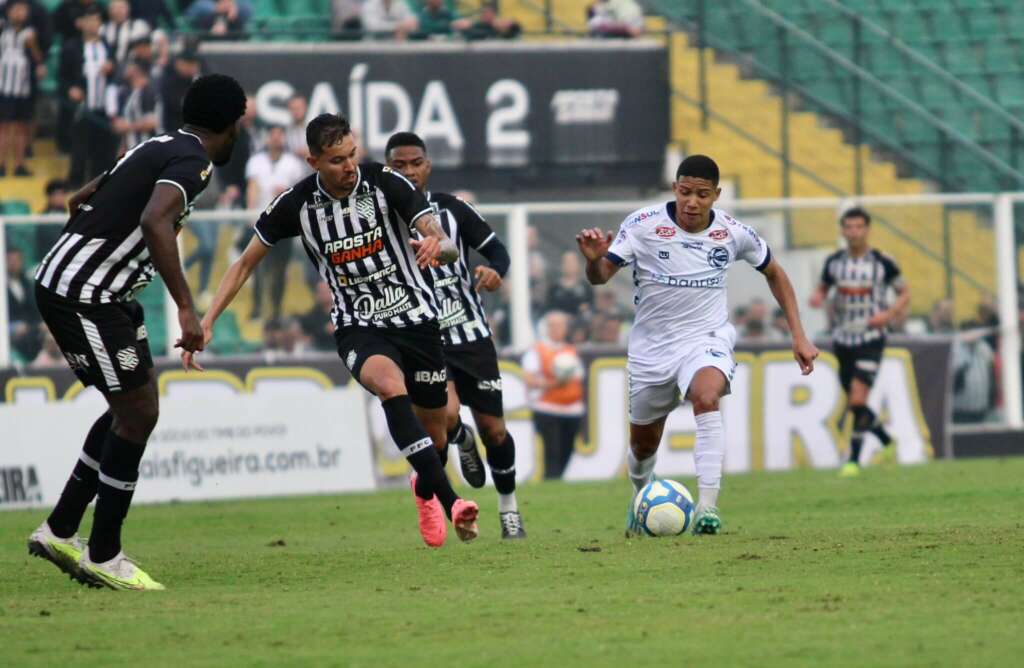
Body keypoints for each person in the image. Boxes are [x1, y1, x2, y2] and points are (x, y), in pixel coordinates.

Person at [184, 113, 480, 548]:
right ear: (313, 161)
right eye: (338, 159)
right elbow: (246, 262)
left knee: (434, 435)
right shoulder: (296, 204)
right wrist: (207, 319)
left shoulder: (387, 183)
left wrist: (440, 244)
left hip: (417, 320)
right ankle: (453, 502)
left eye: (353, 155)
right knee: (388, 386)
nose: (349, 167)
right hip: (358, 325)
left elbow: (444, 241)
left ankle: (424, 487)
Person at [28, 74, 246, 590]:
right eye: (240, 120)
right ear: (229, 123)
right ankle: (103, 553)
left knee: (131, 407)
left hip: (93, 290)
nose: (242, 129)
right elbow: (154, 220)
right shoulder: (196, 163)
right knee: (139, 411)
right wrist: (187, 309)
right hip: (86, 295)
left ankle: (61, 528)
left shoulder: (157, 144)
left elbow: (81, 196)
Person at [577, 154, 819, 535]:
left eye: (702, 194)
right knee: (642, 447)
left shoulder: (733, 232)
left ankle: (708, 508)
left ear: (716, 195)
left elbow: (775, 273)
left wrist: (798, 334)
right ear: (674, 188)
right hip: (651, 349)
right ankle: (641, 499)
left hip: (705, 339)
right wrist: (593, 262)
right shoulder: (642, 225)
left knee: (706, 397)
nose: (692, 202)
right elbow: (601, 276)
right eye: (685, 191)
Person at [386, 131, 524, 539]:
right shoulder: (377, 218)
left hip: (472, 336)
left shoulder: (453, 210)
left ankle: (509, 509)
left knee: (495, 431)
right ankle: (459, 436)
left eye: (416, 163)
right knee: (443, 420)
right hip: (424, 338)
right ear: (387, 169)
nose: (409, 172)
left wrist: (495, 270)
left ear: (428, 166)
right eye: (399, 166)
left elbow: (498, 251)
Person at [809, 207, 910, 477]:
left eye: (859, 227)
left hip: (871, 339)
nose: (854, 232)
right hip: (842, 339)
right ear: (842, 231)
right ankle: (886, 440)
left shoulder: (883, 262)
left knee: (857, 396)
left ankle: (852, 460)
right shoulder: (834, 263)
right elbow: (823, 287)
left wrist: (888, 314)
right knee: (856, 403)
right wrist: (817, 296)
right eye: (849, 227)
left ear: (867, 229)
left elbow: (904, 293)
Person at [244, 125, 306, 320]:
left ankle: (276, 309)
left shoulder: (293, 163)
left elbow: (299, 192)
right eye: (274, 135)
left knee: (280, 268)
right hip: (260, 220)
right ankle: (257, 306)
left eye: (280, 135)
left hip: (284, 223)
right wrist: (250, 214)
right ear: (268, 138)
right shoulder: (256, 161)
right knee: (256, 266)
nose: (277, 139)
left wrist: (285, 191)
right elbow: (252, 188)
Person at [522, 310, 585, 480]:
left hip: (572, 410)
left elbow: (578, 377)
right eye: (554, 325)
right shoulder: (538, 350)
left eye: (561, 325)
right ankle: (551, 479)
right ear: (547, 328)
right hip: (547, 408)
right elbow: (529, 379)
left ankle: (556, 479)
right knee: (552, 451)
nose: (558, 329)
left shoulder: (570, 351)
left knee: (568, 450)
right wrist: (554, 383)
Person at [60, 5, 116, 187]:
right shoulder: (71, 47)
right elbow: (63, 78)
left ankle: (101, 187)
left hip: (104, 109)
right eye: (90, 20)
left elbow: (117, 76)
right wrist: (71, 90)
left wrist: (111, 69)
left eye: (97, 19)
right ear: (80, 23)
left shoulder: (107, 46)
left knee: (104, 152)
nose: (94, 24)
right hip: (83, 109)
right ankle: (76, 187)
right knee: (80, 151)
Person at [0, 0, 46, 177]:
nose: (19, 13)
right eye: (16, 10)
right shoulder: (3, 28)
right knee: (3, 127)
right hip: (3, 87)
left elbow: (38, 59)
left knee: (20, 127)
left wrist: (32, 45)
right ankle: (1, 164)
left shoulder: (31, 33)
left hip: (23, 86)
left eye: (23, 10)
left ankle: (20, 164)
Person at [108, 58, 161, 153]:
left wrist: (129, 127)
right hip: (131, 150)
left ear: (137, 70)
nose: (126, 68)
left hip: (147, 149)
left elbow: (152, 122)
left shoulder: (150, 91)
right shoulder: (126, 92)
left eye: (130, 65)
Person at [6, 246, 42, 361]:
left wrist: (40, 324)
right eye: (10, 261)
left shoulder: (27, 283)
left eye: (17, 261)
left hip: (30, 327)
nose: (13, 264)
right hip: (10, 328)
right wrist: (14, 326)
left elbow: (34, 309)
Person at [101, 0, 151, 67]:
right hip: (109, 68)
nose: (118, 11)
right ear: (110, 11)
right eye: (115, 8)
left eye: (121, 7)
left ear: (128, 9)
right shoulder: (103, 29)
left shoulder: (139, 26)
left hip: (134, 67)